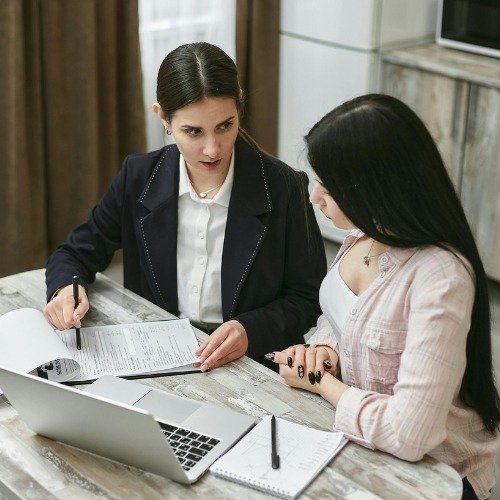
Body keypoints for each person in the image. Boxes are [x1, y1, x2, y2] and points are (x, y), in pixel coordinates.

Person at [269, 94, 500, 499]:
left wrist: (324, 384)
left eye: (328, 185)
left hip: (434, 475)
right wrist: (325, 351)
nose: (314, 196)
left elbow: (410, 435)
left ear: (373, 186)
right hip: (362, 444)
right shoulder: (365, 232)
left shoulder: (440, 276)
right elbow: (342, 320)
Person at [43, 42, 326, 371]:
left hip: (251, 364)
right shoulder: (138, 177)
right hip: (157, 355)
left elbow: (308, 297)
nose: (212, 149)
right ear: (162, 117)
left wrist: (250, 330)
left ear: (240, 105)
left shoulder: (283, 188)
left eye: (225, 126)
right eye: (193, 132)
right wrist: (66, 289)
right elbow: (76, 252)